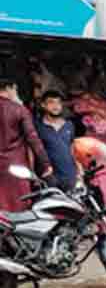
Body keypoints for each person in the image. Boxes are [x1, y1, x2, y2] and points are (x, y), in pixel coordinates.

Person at [0, 79, 52, 213]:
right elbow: (33, 138)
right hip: (15, 167)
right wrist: (46, 164)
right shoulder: (19, 109)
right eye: (15, 90)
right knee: (19, 207)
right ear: (10, 88)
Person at [35, 91, 77, 193]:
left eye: (58, 103)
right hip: (49, 176)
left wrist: (78, 169)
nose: (56, 106)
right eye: (51, 102)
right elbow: (31, 151)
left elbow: (72, 148)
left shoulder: (69, 125)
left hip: (70, 176)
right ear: (43, 105)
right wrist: (33, 174)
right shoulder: (37, 126)